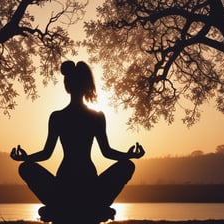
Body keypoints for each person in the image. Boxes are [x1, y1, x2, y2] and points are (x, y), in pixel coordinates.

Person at [10, 60, 145, 223]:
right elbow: (107, 152)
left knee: (25, 167)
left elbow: (46, 154)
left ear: (67, 86)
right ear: (86, 85)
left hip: (65, 182)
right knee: (127, 165)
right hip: (88, 182)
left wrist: (26, 159)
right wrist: (128, 155)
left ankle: (60, 205)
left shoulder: (58, 117)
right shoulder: (95, 117)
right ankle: (95, 204)